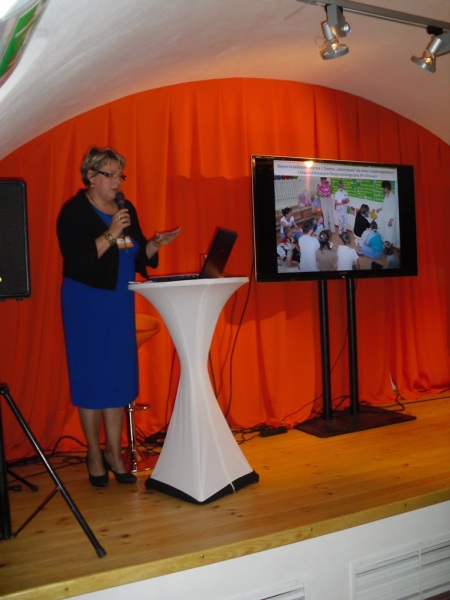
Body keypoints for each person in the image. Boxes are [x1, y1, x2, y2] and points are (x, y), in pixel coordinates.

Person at [57, 146, 180, 488]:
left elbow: (138, 256)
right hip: (86, 304)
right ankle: (94, 456)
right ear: (91, 177)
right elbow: (79, 262)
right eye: (109, 175)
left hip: (118, 303)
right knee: (91, 380)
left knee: (116, 379)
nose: (117, 182)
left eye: (119, 175)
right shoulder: (75, 213)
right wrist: (111, 232)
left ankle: (114, 453)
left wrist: (156, 243)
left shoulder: (126, 208)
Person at [378, 181, 400, 247]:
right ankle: (387, 247)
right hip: (386, 218)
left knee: (390, 235)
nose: (383, 190)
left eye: (384, 188)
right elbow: (385, 206)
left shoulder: (392, 197)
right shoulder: (386, 196)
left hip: (390, 220)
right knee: (386, 235)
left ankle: (389, 249)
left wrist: (391, 220)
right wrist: (379, 209)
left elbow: (394, 209)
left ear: (387, 188)